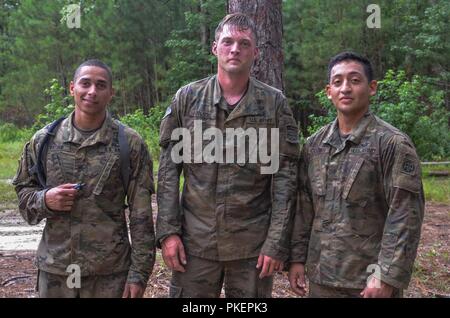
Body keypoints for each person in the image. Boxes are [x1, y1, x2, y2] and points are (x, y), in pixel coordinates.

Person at [156, 13, 299, 298]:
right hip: (195, 244)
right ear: (215, 48)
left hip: (251, 246)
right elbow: (169, 172)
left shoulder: (273, 104)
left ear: (256, 52)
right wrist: (168, 232)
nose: (235, 49)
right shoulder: (188, 98)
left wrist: (276, 242)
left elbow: (285, 178)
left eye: (244, 43)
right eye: (228, 41)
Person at [13, 59, 156, 298]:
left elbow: (141, 216)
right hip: (57, 270)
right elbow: (24, 198)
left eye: (101, 85)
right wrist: (45, 200)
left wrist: (139, 274)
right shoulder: (44, 140)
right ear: (72, 88)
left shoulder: (129, 144)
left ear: (111, 93)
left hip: (109, 273)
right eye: (85, 83)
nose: (92, 91)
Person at [289, 51, 424, 298]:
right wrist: (297, 259)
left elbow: (405, 215)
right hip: (321, 278)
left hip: (368, 283)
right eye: (338, 82)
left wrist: (386, 275)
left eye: (354, 80)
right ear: (328, 91)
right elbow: (304, 207)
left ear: (371, 87)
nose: (346, 88)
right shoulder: (314, 146)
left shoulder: (392, 144)